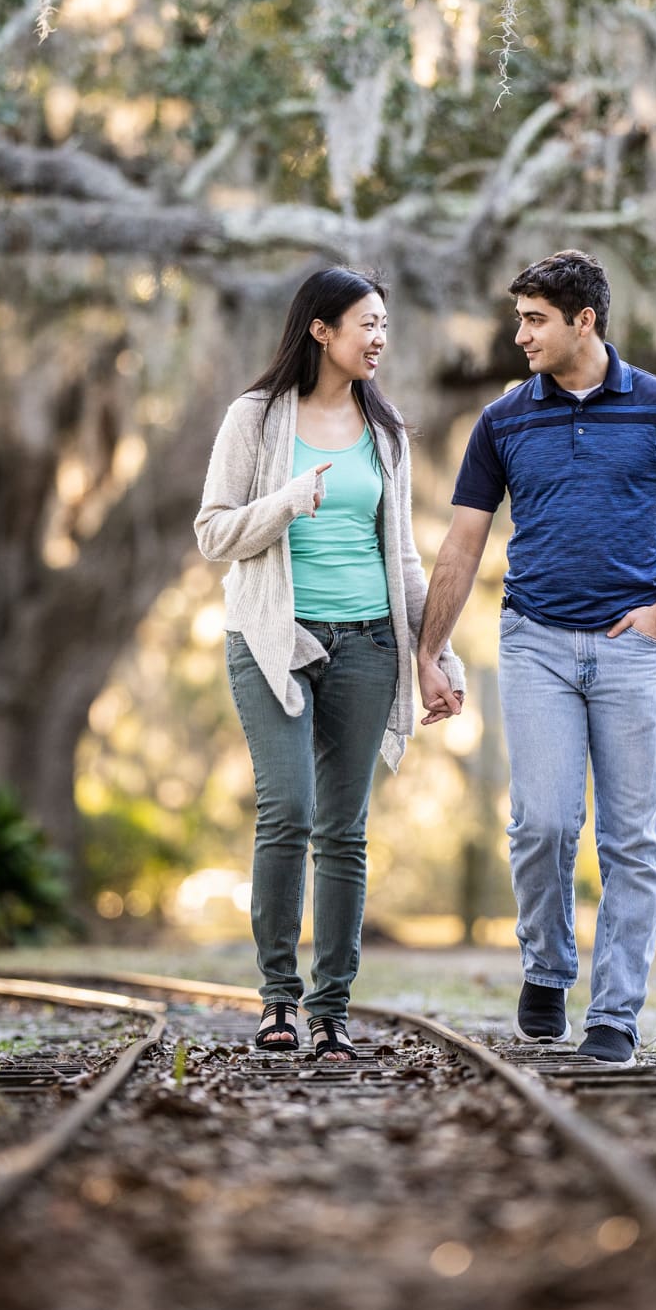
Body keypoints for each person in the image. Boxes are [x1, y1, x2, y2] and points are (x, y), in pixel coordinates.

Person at [418, 250, 656, 1064]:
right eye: (518, 317)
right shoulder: (501, 420)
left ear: (583, 321)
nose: (518, 334)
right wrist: (431, 647)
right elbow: (462, 543)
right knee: (545, 824)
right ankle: (547, 965)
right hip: (534, 644)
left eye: (534, 319)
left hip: (632, 651)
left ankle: (615, 1015)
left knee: (632, 841)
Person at [196, 267, 463, 1060]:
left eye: (385, 325)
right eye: (366, 324)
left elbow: (405, 555)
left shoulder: (388, 431)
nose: (380, 338)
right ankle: (278, 1001)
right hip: (274, 637)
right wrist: (285, 502)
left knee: (343, 832)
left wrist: (433, 653)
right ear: (320, 329)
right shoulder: (255, 418)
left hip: (369, 643)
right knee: (288, 813)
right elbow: (212, 534)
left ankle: (331, 1012)